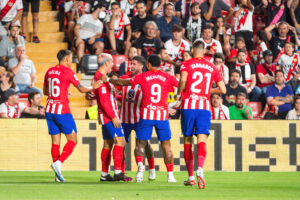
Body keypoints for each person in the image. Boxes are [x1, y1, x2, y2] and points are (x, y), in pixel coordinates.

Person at [102, 54, 178, 183]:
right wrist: (177, 102)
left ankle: (141, 169)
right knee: (166, 146)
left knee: (140, 144)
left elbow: (121, 82)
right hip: (160, 116)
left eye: (134, 64)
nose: (131, 66)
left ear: (147, 64)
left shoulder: (143, 76)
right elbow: (180, 85)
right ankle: (170, 175)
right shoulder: (167, 77)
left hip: (145, 116)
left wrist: (108, 79)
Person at [44, 49, 101, 182]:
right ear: (66, 59)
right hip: (62, 110)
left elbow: (46, 91)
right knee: (73, 139)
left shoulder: (49, 71)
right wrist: (94, 86)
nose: (71, 62)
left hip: (50, 109)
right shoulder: (68, 72)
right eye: (70, 59)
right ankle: (59, 163)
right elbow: (81, 89)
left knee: (55, 142)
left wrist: (62, 92)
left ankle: (57, 176)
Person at [176, 40, 226, 189]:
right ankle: (200, 169)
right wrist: (207, 91)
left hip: (189, 106)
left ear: (192, 50)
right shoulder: (211, 66)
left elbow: (183, 81)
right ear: (204, 51)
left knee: (187, 140)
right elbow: (223, 90)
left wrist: (179, 92)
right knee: (202, 139)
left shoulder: (186, 64)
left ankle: (191, 177)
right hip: (204, 107)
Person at [117, 56, 156, 180]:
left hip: (141, 119)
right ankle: (121, 172)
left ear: (141, 66)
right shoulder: (123, 79)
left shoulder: (147, 79)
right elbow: (114, 92)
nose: (131, 66)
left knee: (146, 145)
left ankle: (152, 169)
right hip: (124, 119)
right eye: (130, 64)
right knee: (120, 145)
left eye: (134, 64)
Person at [92, 53, 130, 182]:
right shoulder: (100, 78)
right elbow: (104, 101)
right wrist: (113, 116)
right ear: (106, 63)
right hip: (109, 116)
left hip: (106, 115)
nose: (113, 65)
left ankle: (104, 174)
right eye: (112, 63)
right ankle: (118, 172)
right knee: (120, 141)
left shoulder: (101, 77)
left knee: (108, 144)